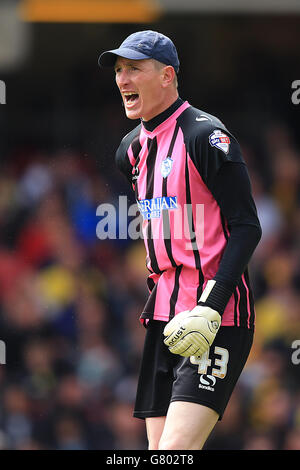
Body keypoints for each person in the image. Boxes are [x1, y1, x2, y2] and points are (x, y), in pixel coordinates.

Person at [98, 30, 262, 450]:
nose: (122, 79)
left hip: (215, 316)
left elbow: (246, 226)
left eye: (134, 68)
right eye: (119, 70)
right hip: (164, 319)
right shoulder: (129, 151)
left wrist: (212, 303)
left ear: (168, 75)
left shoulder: (205, 137)